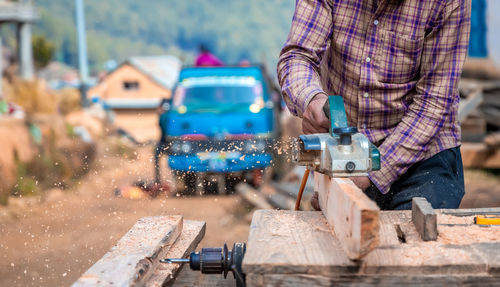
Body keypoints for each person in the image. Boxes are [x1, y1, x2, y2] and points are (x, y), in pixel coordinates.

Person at [277, 0, 471, 210]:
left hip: (423, 156)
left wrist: (371, 173)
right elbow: (298, 56)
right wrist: (311, 98)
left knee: (415, 236)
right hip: (347, 152)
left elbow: (434, 102)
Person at [154, 98, 170, 184]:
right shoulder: (166, 115)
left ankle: (158, 180)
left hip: (166, 142)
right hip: (166, 142)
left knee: (157, 159)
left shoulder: (164, 116)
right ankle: (158, 180)